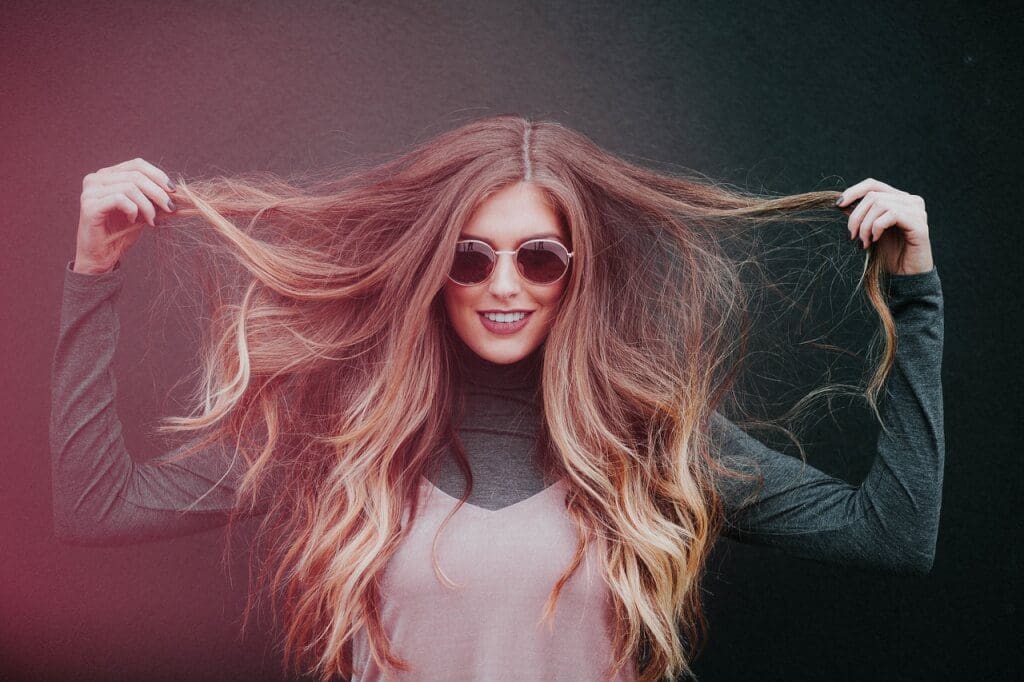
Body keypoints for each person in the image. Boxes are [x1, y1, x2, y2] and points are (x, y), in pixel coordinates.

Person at [50, 115, 944, 682]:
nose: (503, 284)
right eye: (470, 257)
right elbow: (96, 508)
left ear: (574, 272)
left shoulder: (652, 443)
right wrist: (95, 272)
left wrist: (917, 293)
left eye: (539, 257)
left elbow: (892, 534)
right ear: (433, 271)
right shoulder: (343, 436)